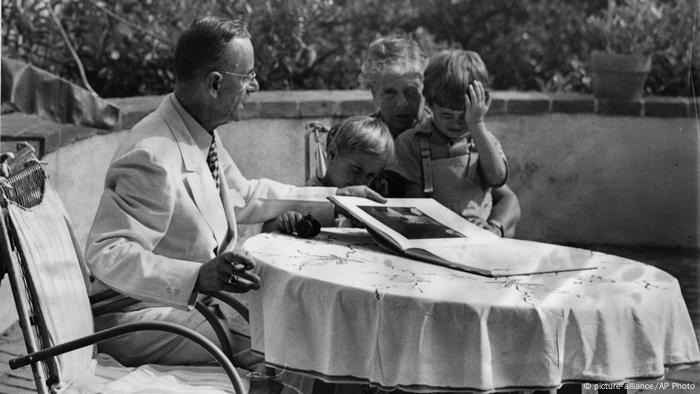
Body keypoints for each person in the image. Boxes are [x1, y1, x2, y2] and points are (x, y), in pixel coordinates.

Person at [84, 16, 383, 392]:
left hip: (196, 310)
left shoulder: (196, 132)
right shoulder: (152, 154)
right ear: (214, 84)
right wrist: (197, 276)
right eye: (249, 77)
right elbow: (108, 252)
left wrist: (338, 199)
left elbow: (247, 194)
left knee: (311, 332)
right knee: (299, 349)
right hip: (141, 319)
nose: (255, 86)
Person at [360, 36, 520, 237]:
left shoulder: (463, 133)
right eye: (389, 92)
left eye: (411, 91)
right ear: (373, 92)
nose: (402, 103)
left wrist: (495, 228)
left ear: (425, 92)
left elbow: (505, 196)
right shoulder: (362, 139)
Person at [390, 49, 508, 231]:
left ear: (482, 104)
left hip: (479, 236)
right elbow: (415, 203)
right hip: (433, 233)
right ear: (429, 104)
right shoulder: (411, 142)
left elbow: (497, 179)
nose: (456, 123)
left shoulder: (483, 139)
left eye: (464, 115)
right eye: (446, 115)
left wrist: (476, 124)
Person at [269, 115, 393, 234]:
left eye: (370, 176)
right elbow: (267, 229)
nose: (361, 181)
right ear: (332, 153)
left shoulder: (364, 204)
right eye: (356, 169)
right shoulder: (306, 197)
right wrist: (284, 223)